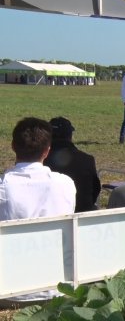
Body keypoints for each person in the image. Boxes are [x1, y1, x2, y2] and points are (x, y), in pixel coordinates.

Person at [0, 117, 76, 306]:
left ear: (13, 146)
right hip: (57, 288)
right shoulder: (65, 184)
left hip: (8, 291)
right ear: (47, 151)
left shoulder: (3, 186)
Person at [44, 117, 101, 212]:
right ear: (70, 136)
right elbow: (95, 190)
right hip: (82, 215)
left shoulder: (41, 160)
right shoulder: (87, 159)